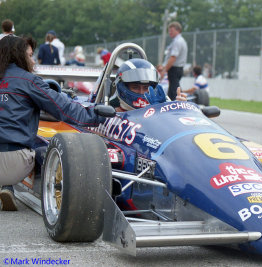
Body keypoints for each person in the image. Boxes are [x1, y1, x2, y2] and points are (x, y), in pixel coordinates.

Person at [0, 35, 108, 211]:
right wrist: (101, 116)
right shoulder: (30, 81)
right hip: (15, 164)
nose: (33, 60)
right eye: (29, 55)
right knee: (46, 146)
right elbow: (65, 109)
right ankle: (54, 197)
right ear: (19, 57)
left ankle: (6, 187)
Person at [111, 58, 186, 112]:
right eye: (135, 87)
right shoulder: (110, 116)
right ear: (122, 87)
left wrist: (178, 110)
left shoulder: (159, 112)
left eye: (146, 87)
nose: (141, 92)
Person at [160, 21, 188, 101]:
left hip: (175, 68)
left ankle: (177, 105)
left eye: (171, 31)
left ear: (178, 30)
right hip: (177, 68)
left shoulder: (177, 41)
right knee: (174, 88)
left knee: (174, 90)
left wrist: (165, 70)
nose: (169, 32)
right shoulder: (179, 41)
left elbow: (173, 57)